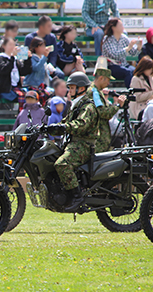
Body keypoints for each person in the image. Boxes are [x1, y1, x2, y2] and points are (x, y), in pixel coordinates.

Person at [46, 72, 100, 212]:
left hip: (83, 145)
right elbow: (65, 123)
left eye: (72, 87)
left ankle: (77, 197)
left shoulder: (88, 106)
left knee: (62, 164)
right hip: (74, 143)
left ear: (81, 88)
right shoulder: (77, 105)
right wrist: (47, 128)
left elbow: (81, 124)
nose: (69, 91)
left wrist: (63, 127)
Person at [86, 65, 126, 153]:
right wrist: (118, 105)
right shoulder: (94, 92)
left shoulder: (97, 91)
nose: (108, 83)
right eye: (107, 80)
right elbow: (103, 112)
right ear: (101, 78)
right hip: (98, 139)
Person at [0, 37, 32, 113]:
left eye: (14, 45)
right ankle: (21, 117)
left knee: (33, 96)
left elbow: (25, 71)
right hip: (6, 90)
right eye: (10, 45)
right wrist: (12, 57)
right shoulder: (0, 59)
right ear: (4, 46)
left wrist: (28, 59)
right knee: (25, 98)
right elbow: (4, 70)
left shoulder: (15, 59)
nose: (13, 47)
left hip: (16, 88)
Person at [101, 18, 142, 88]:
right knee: (128, 72)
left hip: (124, 64)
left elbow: (133, 53)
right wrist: (128, 48)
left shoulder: (124, 38)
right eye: (120, 26)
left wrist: (139, 47)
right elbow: (114, 55)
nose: (122, 27)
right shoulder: (107, 39)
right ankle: (131, 92)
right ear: (113, 28)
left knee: (136, 71)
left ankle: (138, 91)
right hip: (111, 66)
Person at [24, 16, 64, 80]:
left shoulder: (52, 37)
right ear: (41, 27)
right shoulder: (30, 38)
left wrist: (51, 66)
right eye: (48, 26)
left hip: (49, 65)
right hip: (35, 65)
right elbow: (28, 57)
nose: (51, 28)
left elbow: (54, 55)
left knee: (60, 74)